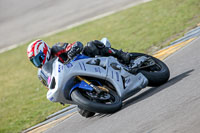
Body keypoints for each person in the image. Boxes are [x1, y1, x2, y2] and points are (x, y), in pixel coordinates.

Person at [27, 38, 130, 117]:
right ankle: (98, 93)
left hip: (82, 65)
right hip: (71, 82)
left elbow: (74, 45)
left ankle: (121, 55)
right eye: (34, 61)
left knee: (91, 46)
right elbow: (49, 85)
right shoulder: (41, 74)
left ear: (44, 51)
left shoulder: (57, 48)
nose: (38, 63)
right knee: (85, 112)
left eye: (38, 58)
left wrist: (73, 49)